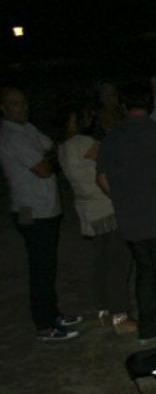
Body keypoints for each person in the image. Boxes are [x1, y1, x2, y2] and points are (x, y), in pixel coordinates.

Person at [97, 82, 156, 345]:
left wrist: (122, 198)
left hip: (130, 218)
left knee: (144, 272)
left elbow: (102, 177)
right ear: (149, 105)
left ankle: (148, 327)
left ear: (124, 106)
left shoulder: (112, 137)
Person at [0, 87, 81, 341]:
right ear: (3, 108)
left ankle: (52, 314)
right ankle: (44, 325)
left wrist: (51, 156)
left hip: (46, 208)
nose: (21, 108)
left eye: (23, 102)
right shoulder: (11, 136)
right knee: (40, 268)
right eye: (14, 104)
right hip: (31, 210)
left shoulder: (27, 129)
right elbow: (45, 168)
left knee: (47, 265)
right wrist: (51, 156)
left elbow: (52, 151)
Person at [58, 98, 135, 334]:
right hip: (105, 208)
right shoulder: (84, 143)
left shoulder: (61, 146)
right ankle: (120, 315)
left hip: (87, 210)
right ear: (74, 118)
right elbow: (114, 160)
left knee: (102, 262)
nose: (90, 120)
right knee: (118, 263)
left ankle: (104, 310)